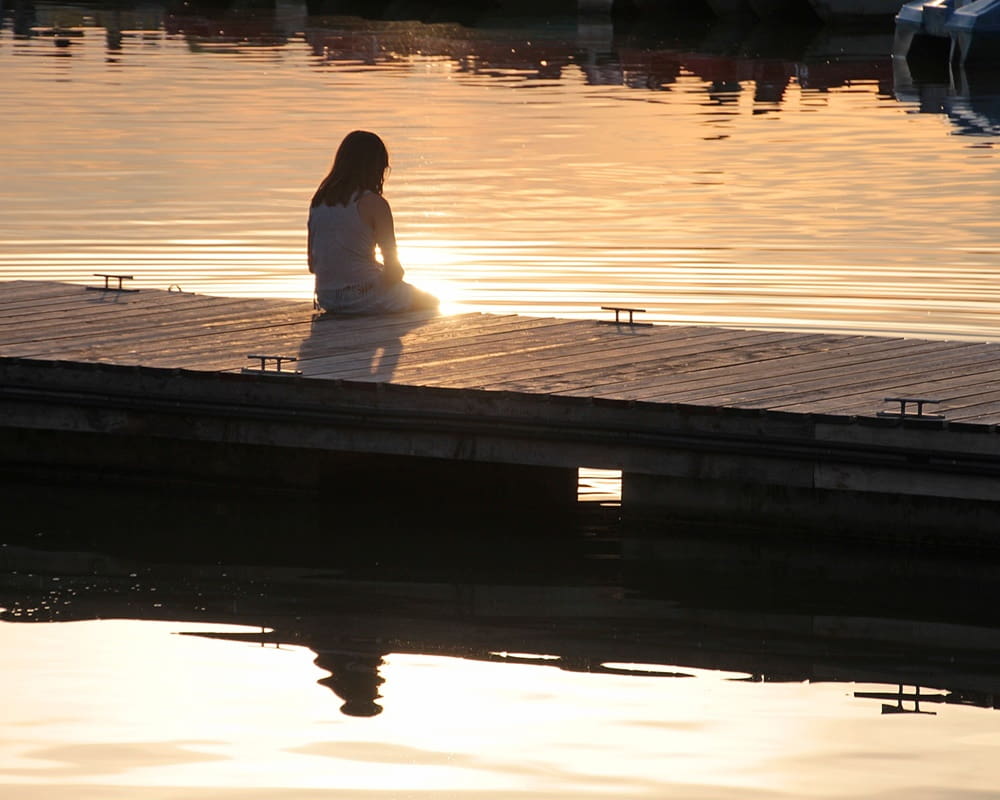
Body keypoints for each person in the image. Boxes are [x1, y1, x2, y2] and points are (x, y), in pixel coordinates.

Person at [308, 130, 438, 315]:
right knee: (431, 302)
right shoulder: (375, 204)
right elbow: (394, 272)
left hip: (327, 298)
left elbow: (313, 265)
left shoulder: (319, 201)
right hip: (364, 297)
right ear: (375, 168)